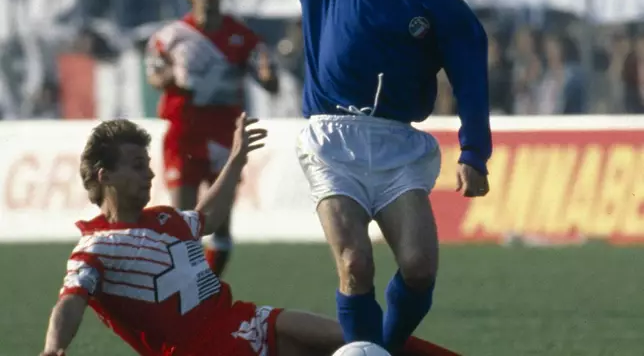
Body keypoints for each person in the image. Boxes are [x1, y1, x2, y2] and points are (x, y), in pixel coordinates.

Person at [39, 117, 460, 356]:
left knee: (367, 344)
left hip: (245, 320)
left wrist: (237, 158)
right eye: (135, 165)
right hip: (203, 353)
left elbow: (207, 215)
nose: (149, 172)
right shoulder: (94, 248)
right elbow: (70, 301)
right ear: (104, 175)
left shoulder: (164, 220)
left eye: (148, 163)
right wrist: (54, 348)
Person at [275, 0, 492, 353]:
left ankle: (382, 350)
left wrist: (474, 150)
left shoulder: (443, 7)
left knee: (419, 268)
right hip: (332, 142)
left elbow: (472, 82)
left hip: (399, 147)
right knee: (355, 264)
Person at [146, 0, 279, 277]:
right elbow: (154, 75)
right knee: (183, 221)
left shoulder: (242, 36)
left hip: (224, 135)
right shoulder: (171, 37)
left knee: (219, 224)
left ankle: (206, 288)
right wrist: (171, 76)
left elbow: (269, 82)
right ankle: (182, 292)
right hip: (184, 132)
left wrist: (267, 75)